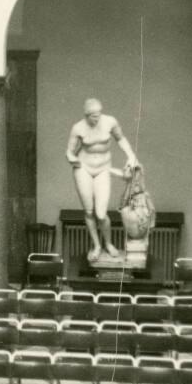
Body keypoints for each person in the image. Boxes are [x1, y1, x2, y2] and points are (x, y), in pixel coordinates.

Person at [66, 98, 138, 262]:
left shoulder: (110, 122)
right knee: (89, 212)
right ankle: (97, 245)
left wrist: (131, 155)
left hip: (103, 168)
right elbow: (69, 152)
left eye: (98, 115)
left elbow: (121, 139)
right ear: (86, 115)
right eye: (92, 116)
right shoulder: (78, 127)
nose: (96, 119)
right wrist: (73, 160)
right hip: (83, 168)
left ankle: (109, 243)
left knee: (100, 213)